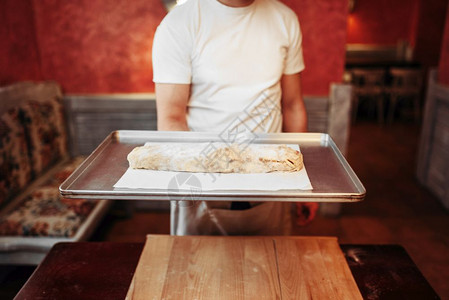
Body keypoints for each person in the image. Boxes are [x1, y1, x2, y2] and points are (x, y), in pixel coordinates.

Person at [152, 0, 318, 235]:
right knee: (196, 268)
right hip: (202, 184)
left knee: (270, 265)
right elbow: (171, 118)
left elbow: (292, 105)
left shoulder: (285, 18)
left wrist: (303, 184)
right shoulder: (179, 23)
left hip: (271, 180)